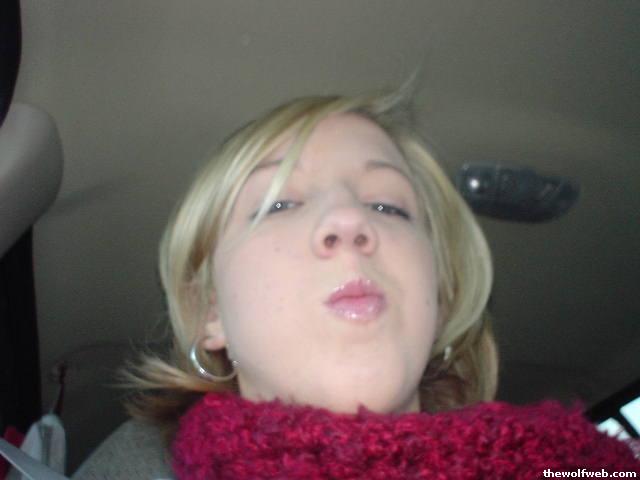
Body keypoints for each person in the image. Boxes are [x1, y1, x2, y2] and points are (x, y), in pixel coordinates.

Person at [78, 89, 639, 479]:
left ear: (440, 302)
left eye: (387, 206)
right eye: (280, 204)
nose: (349, 220)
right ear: (210, 311)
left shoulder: (584, 467)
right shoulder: (133, 468)